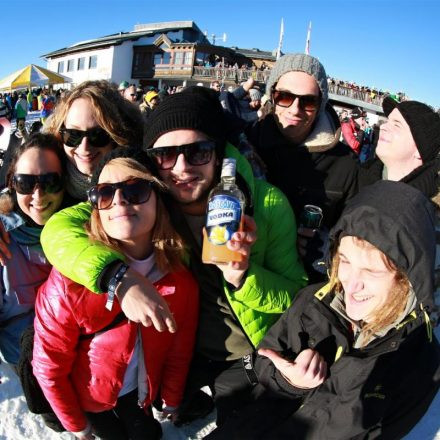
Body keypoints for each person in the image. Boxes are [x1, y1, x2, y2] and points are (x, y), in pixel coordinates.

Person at [39, 86, 307, 426]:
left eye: (198, 152)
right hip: (179, 348)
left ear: (218, 152)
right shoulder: (147, 197)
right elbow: (59, 230)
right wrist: (118, 279)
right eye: (166, 155)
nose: (181, 168)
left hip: (245, 354)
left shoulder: (266, 205)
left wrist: (244, 277)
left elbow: (296, 297)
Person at [208, 180, 440, 440]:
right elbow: (264, 361)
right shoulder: (313, 302)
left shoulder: (417, 363)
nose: (352, 284)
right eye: (346, 261)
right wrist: (290, 383)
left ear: (407, 279)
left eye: (372, 271)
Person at [33, 147, 199, 440]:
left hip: (142, 393)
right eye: (105, 194)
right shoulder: (67, 285)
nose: (120, 200)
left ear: (159, 199)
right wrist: (77, 425)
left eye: (135, 189)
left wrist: (171, 397)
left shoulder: (181, 283)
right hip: (92, 401)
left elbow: (178, 350)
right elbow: (49, 368)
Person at [244, 54, 358, 282]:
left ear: (321, 104)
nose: (295, 109)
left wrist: (332, 248)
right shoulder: (246, 141)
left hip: (304, 290)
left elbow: (355, 232)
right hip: (245, 277)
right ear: (272, 96)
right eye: (285, 96)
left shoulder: (345, 164)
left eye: (307, 101)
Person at [0, 133, 65, 369]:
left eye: (50, 182)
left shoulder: (85, 225)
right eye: (25, 183)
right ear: (12, 184)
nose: (38, 195)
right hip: (28, 362)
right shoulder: (4, 241)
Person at [43, 80, 143, 202]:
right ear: (59, 133)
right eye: (73, 135)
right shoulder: (44, 183)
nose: (84, 148)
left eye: (98, 135)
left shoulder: (139, 190)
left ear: (118, 135)